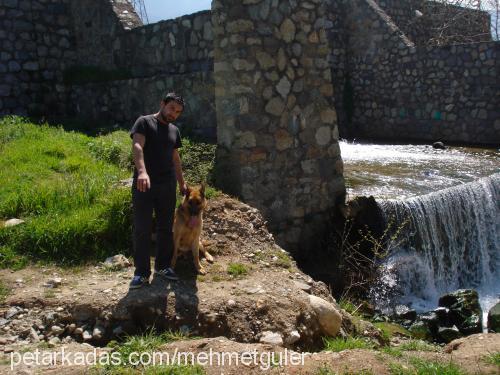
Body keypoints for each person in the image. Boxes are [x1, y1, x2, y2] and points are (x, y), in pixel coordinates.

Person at [129, 92, 187, 289]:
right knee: (142, 229)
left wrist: (181, 183)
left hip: (167, 185)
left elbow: (175, 158)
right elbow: (137, 145)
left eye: (178, 112)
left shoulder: (174, 131)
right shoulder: (144, 122)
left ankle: (162, 267)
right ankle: (141, 274)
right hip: (143, 184)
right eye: (171, 108)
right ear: (162, 104)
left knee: (165, 228)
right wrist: (142, 172)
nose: (173, 114)